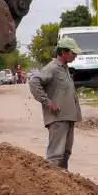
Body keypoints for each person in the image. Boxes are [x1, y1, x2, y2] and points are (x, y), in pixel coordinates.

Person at [28, 36, 83, 169]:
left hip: (68, 118)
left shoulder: (64, 69)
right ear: (64, 52)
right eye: (73, 52)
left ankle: (63, 185)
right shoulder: (52, 68)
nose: (75, 56)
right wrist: (48, 102)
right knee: (55, 156)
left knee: (65, 154)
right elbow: (34, 81)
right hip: (58, 119)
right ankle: (51, 186)